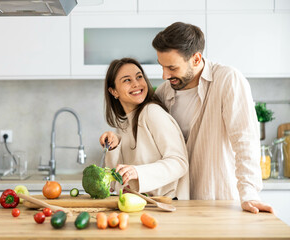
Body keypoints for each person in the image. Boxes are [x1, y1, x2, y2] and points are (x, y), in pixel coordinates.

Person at [152, 22, 273, 213]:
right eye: (162, 66)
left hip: (219, 200)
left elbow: (245, 141)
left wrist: (249, 192)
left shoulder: (227, 80)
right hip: (176, 203)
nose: (165, 75)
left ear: (196, 59)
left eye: (172, 68)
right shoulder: (163, 92)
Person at [99, 57, 189, 199]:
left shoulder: (152, 113)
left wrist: (137, 172)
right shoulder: (123, 124)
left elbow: (179, 163)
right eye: (127, 80)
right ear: (114, 91)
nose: (136, 84)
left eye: (139, 77)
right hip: (140, 204)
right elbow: (114, 183)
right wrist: (114, 147)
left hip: (166, 204)